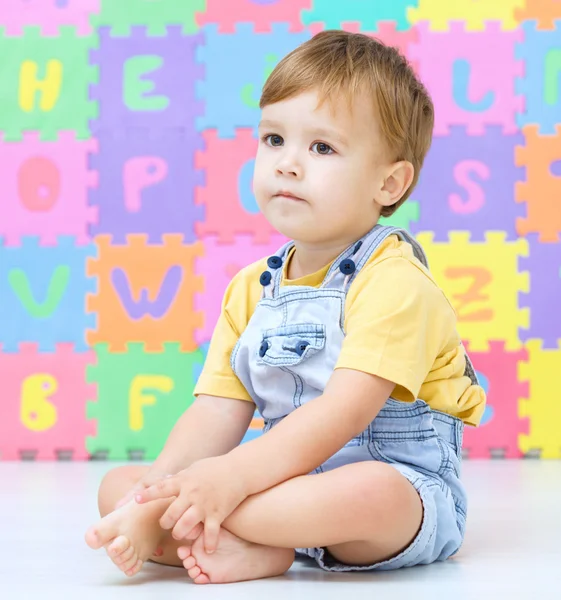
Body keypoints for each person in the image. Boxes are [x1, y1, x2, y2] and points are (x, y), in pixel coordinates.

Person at [85, 29, 486, 585]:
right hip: (277, 488)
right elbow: (216, 412)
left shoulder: (396, 283)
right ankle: (251, 542)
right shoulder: (251, 289)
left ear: (389, 183)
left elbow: (343, 413)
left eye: (322, 147)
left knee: (371, 492)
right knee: (119, 490)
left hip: (394, 496)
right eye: (274, 139)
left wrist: (222, 481)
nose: (288, 164)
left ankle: (221, 528)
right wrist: (156, 486)